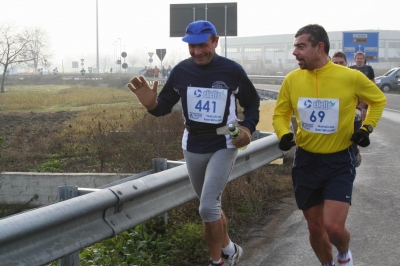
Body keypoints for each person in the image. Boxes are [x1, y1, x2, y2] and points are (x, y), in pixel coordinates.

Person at [127, 20, 260, 266]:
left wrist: (247, 128)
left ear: (215, 41)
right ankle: (231, 250)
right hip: (193, 142)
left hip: (225, 138)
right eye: (192, 47)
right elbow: (163, 106)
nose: (197, 52)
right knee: (210, 206)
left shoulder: (232, 70)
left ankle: (216, 261)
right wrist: (150, 105)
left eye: (203, 46)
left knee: (207, 207)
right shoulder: (181, 71)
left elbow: (252, 103)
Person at [273, 24, 386, 266]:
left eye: (301, 46)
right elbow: (280, 114)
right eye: (295, 47)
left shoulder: (351, 76)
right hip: (306, 161)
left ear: (319, 47)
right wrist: (283, 133)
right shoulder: (292, 79)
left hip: (338, 160)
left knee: (333, 228)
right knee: (315, 229)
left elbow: (378, 100)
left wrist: (367, 128)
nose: (295, 52)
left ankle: (344, 255)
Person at [331, 51, 364, 167]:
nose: (339, 65)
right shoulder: (328, 78)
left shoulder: (354, 76)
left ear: (346, 63)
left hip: (354, 117)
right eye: (335, 63)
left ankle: (354, 157)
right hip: (334, 117)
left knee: (351, 145)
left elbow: (368, 95)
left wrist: (359, 108)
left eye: (341, 62)